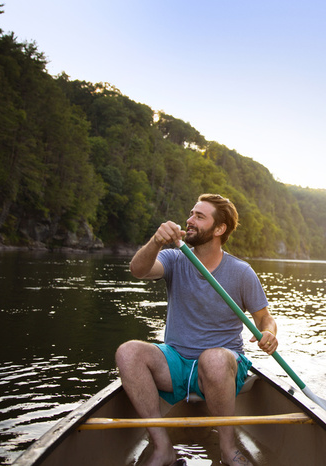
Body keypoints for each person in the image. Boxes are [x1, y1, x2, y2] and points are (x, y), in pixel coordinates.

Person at [116, 194, 278, 466]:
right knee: (128, 352)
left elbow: (264, 317)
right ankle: (162, 447)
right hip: (177, 362)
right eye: (191, 214)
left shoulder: (241, 272)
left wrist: (269, 333)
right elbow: (138, 270)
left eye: (199, 216)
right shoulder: (174, 258)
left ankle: (227, 450)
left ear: (219, 229)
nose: (189, 220)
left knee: (213, 359)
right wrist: (156, 241)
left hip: (222, 367)